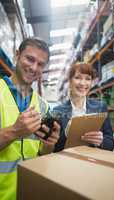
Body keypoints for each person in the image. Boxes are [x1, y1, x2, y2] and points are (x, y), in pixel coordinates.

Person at [0, 37, 60, 200]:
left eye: (40, 64)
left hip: (30, 192)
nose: (34, 67)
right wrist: (13, 132)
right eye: (30, 59)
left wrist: (49, 145)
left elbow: (43, 155)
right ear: (17, 55)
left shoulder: (43, 106)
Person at [53, 63, 114, 152]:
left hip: (92, 161)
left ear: (91, 82)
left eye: (88, 79)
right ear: (70, 81)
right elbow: (54, 148)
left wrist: (101, 141)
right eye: (78, 78)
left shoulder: (100, 107)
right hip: (67, 162)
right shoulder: (57, 111)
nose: (83, 83)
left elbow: (111, 144)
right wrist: (67, 134)